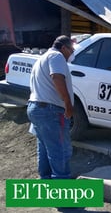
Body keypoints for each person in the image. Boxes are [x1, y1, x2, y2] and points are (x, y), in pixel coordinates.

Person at [27, 35, 75, 179]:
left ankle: (46, 184)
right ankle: (63, 195)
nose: (72, 54)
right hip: (51, 111)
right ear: (64, 48)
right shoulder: (56, 56)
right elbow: (57, 77)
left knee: (44, 148)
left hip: (36, 108)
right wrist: (68, 104)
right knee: (60, 150)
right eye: (71, 50)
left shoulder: (41, 59)